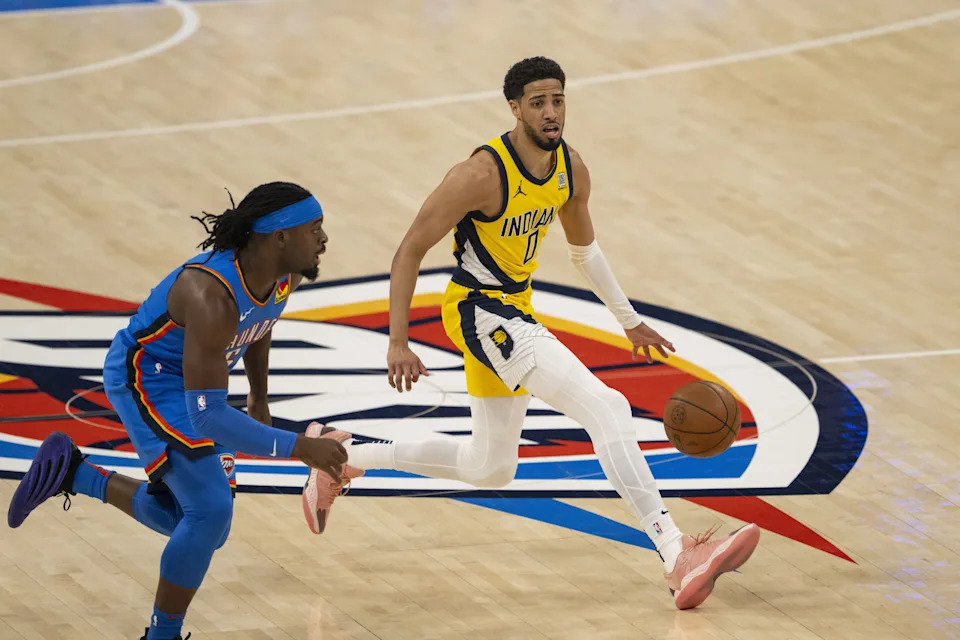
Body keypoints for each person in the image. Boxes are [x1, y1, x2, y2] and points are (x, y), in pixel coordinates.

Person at [337, 57, 761, 610]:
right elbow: (410, 249)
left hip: (514, 311)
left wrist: (628, 320)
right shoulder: (481, 174)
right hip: (480, 311)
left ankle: (347, 454)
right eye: (537, 102)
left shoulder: (570, 169)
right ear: (514, 108)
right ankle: (676, 553)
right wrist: (398, 340)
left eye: (557, 99)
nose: (551, 111)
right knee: (607, 407)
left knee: (492, 466)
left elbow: (584, 250)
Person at [7, 182, 351, 640]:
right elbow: (207, 416)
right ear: (280, 237)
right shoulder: (210, 295)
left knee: (201, 523)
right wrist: (298, 447)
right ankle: (161, 636)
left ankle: (74, 473)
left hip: (199, 377)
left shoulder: (280, 276)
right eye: (315, 229)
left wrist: (259, 395)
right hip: (146, 378)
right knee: (209, 515)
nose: (324, 239)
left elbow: (260, 323)